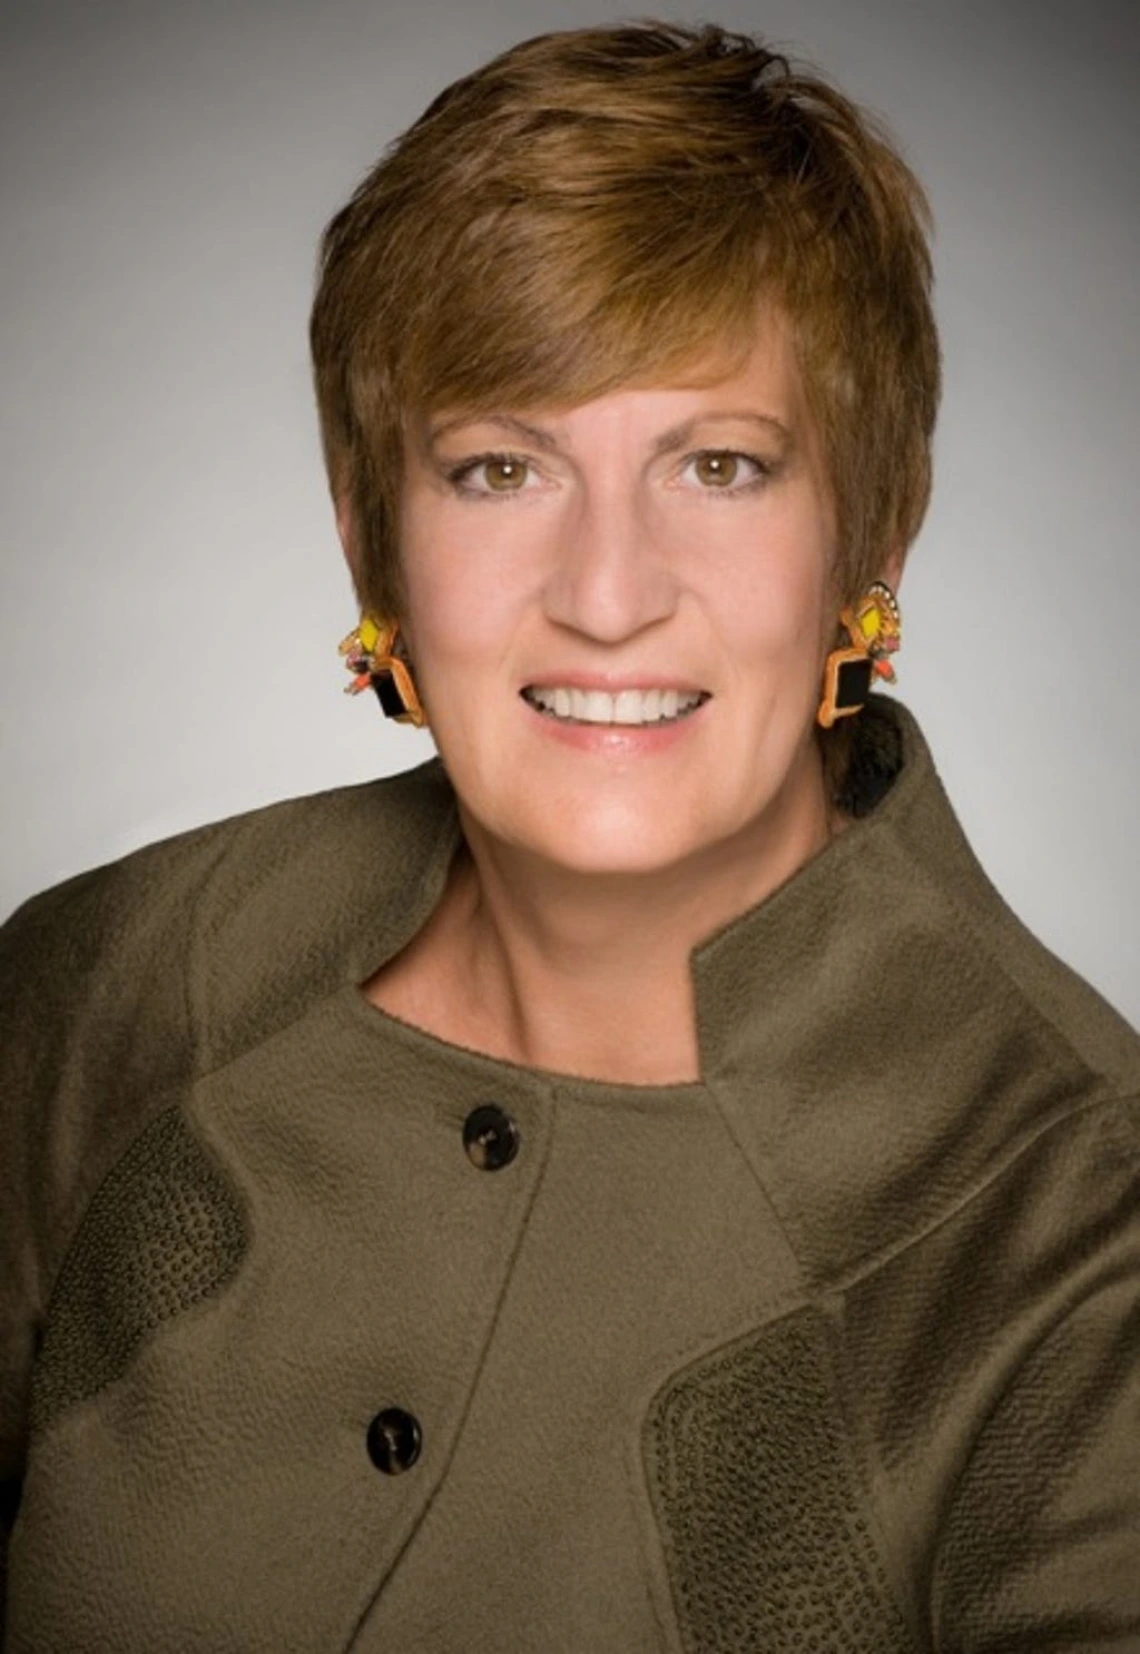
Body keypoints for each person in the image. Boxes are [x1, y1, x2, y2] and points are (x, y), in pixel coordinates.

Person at [1, 19, 1137, 1652]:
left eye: (723, 465)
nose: (608, 595)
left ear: (871, 533)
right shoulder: (113, 978)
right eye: (500, 466)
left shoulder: (1080, 1234)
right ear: (370, 540)